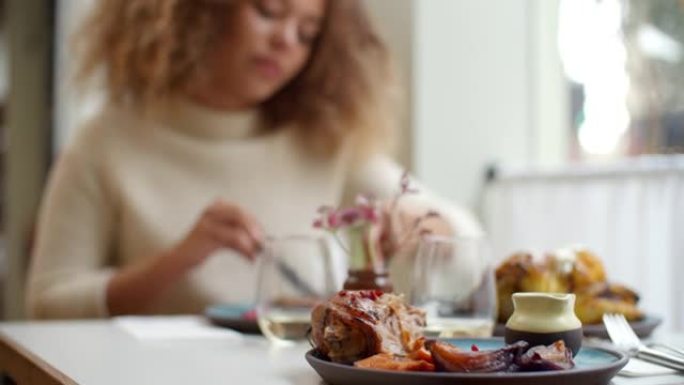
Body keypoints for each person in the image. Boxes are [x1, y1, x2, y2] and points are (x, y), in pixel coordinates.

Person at [26, 0, 483, 319]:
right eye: (267, 11)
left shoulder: (324, 141)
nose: (286, 40)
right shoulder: (106, 141)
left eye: (308, 33)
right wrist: (179, 261)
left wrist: (421, 223)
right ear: (199, 11)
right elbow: (47, 304)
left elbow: (468, 250)